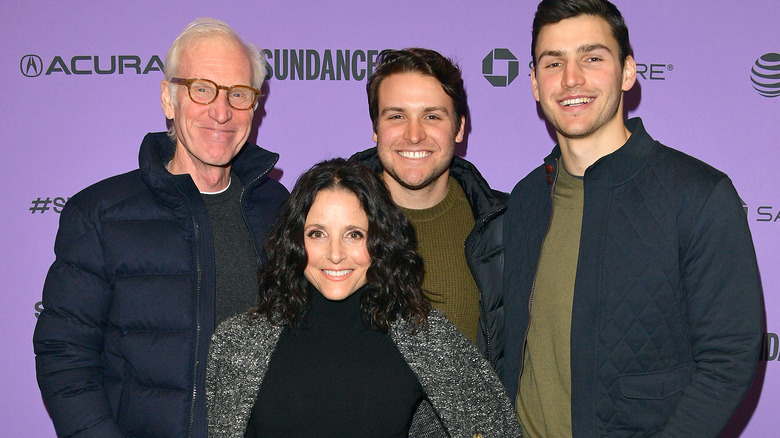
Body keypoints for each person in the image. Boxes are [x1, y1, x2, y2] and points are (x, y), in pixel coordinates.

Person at [501, 0, 764, 436]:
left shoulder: (697, 195)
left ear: (627, 71)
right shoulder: (527, 198)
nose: (571, 79)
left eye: (592, 57)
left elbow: (729, 359)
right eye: (553, 63)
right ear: (533, 82)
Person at [33, 18, 288, 437]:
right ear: (169, 99)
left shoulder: (282, 209)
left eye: (238, 94)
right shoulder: (100, 213)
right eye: (202, 89)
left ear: (254, 106)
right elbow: (65, 356)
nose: (221, 111)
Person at [206, 159, 520, 437]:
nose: (335, 254)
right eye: (318, 233)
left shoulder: (424, 337)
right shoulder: (238, 342)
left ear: (380, 240)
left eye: (354, 234)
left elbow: (494, 424)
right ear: (295, 240)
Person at [351, 48, 507, 375]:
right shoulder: (325, 225)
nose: (414, 134)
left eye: (432, 116)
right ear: (375, 129)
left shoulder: (504, 226)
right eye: (396, 116)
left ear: (460, 128)